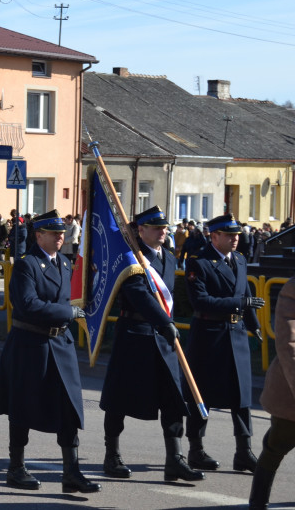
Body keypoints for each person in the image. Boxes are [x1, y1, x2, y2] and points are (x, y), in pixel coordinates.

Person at [0, 209, 100, 494]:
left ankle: (72, 473)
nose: (60, 237)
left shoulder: (65, 264)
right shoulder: (26, 266)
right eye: (54, 233)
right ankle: (16, 468)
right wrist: (68, 311)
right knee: (22, 407)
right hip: (31, 345)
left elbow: (72, 297)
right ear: (38, 235)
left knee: (69, 408)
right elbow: (27, 304)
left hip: (60, 345)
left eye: (62, 233)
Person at [99, 206, 203, 482]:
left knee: (173, 400)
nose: (163, 232)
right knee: (119, 400)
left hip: (163, 338)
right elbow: (138, 295)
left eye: (165, 228)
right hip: (135, 334)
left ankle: (175, 459)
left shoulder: (168, 258)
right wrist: (164, 322)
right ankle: (112, 454)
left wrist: (165, 325)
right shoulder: (131, 258)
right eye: (157, 228)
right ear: (141, 230)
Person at [184, 213, 264, 473]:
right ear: (214, 236)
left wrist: (253, 324)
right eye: (229, 235)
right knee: (202, 395)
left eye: (237, 235)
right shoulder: (199, 263)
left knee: (242, 396)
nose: (235, 239)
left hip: (236, 333)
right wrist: (240, 304)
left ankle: (244, 451)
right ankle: (196, 450)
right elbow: (201, 302)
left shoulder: (239, 259)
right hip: (210, 334)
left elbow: (246, 293)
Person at [249, 275, 295, 509]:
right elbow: (289, 344)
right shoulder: (292, 289)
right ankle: (258, 501)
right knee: (276, 445)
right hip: (290, 392)